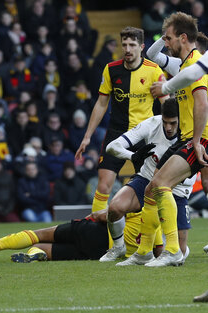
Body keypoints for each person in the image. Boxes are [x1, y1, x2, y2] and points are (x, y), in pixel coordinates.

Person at [130, 12, 208, 267]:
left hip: (201, 139)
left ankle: (173, 251)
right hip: (189, 138)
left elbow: (202, 102)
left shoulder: (196, 64)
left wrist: (197, 140)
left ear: (183, 38)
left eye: (170, 38)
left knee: (161, 183)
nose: (167, 43)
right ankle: (143, 252)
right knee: (154, 187)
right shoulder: (185, 65)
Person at [75, 27, 167, 213]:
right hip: (117, 133)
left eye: (132, 45)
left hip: (145, 135)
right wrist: (87, 137)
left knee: (149, 189)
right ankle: (95, 232)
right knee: (103, 185)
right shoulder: (111, 69)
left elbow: (167, 104)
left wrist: (169, 135)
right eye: (124, 44)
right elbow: (101, 104)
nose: (127, 49)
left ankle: (154, 240)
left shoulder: (153, 70)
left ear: (141, 47)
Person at [99, 98, 194, 263]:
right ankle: (119, 246)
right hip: (147, 179)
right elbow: (111, 146)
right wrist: (133, 156)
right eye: (165, 122)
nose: (168, 127)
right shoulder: (152, 123)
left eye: (173, 123)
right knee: (115, 208)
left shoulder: (192, 131)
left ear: (181, 119)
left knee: (179, 253)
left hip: (177, 189)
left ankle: (156, 249)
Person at [0, 208, 162, 263]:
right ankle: (34, 255)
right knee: (45, 250)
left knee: (38, 234)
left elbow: (104, 216)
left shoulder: (139, 203)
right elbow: (159, 252)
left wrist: (89, 219)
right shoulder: (158, 225)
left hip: (94, 232)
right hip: (100, 253)